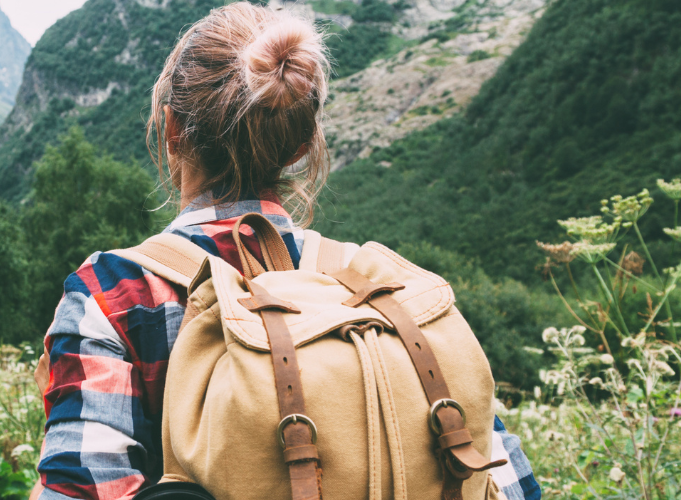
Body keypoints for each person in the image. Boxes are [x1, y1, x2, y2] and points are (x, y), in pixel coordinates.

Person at [33, 3, 541, 500]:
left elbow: (79, 486)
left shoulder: (115, 295)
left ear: (170, 130)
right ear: (301, 146)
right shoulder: (381, 291)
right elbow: (506, 479)